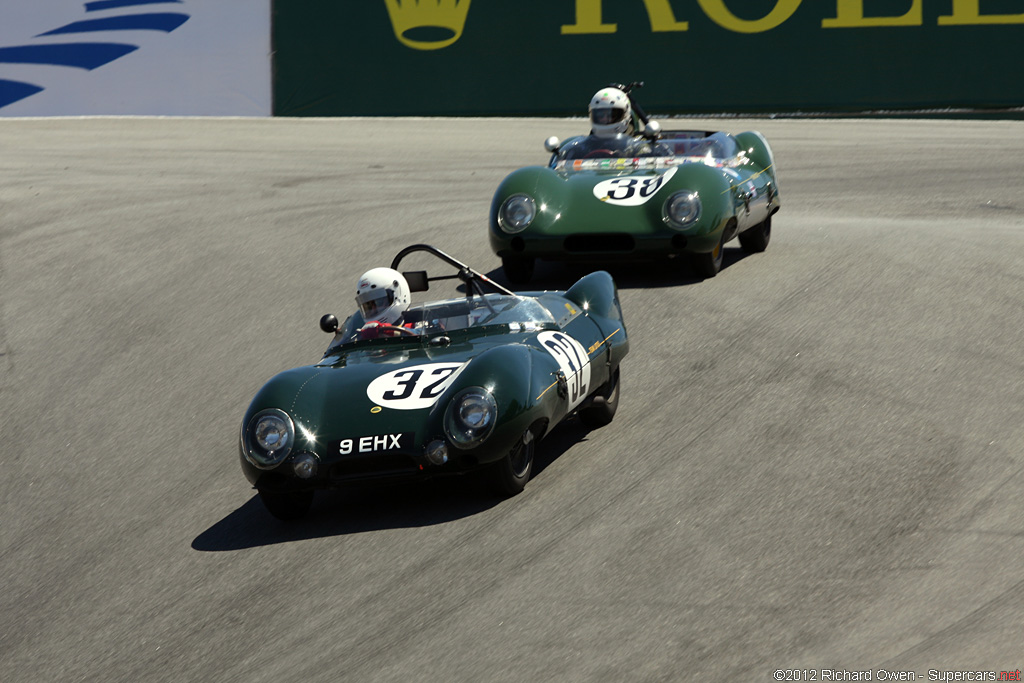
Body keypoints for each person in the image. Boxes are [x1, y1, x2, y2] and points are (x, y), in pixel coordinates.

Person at [556, 87, 671, 161]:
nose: (605, 119)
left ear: (625, 115)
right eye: (600, 115)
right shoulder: (582, 147)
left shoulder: (639, 146)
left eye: (611, 115)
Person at [354, 267, 417, 339]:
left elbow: (421, 333)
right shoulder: (363, 329)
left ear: (398, 296)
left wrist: (388, 331)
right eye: (368, 306)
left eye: (378, 302)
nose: (373, 310)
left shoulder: (420, 323)